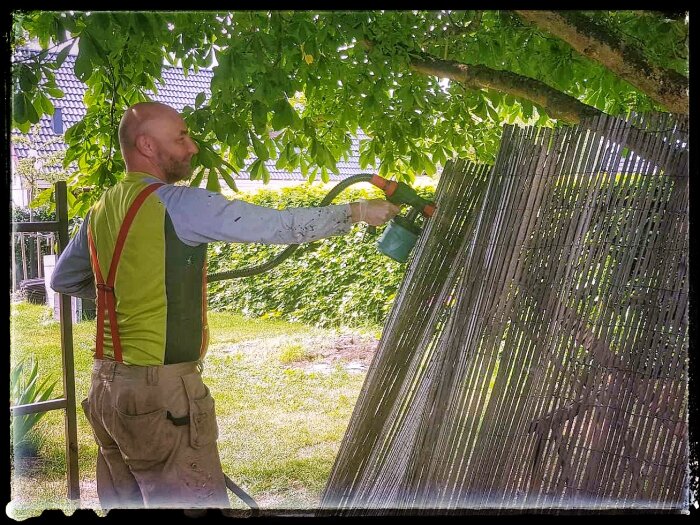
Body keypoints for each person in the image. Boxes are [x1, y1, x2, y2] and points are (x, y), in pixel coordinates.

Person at [50, 101, 400, 511]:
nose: (193, 147)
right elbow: (278, 226)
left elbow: (63, 279)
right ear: (147, 145)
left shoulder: (101, 208)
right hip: (159, 394)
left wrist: (137, 291)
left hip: (108, 390)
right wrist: (357, 211)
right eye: (180, 137)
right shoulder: (178, 204)